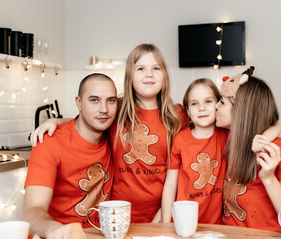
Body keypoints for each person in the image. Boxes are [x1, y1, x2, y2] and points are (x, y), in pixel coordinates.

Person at [30, 43, 188, 223]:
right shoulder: (118, 108)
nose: (149, 74)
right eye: (141, 68)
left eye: (156, 68)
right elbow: (89, 118)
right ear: (130, 76)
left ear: (165, 75)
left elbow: (181, 171)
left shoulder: (178, 115)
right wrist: (56, 121)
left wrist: (164, 215)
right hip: (117, 214)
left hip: (163, 214)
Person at [22, 73, 118, 239]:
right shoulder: (49, 143)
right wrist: (54, 229)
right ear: (78, 103)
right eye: (94, 100)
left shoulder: (115, 133)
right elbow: (31, 212)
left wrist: (58, 120)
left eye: (111, 100)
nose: (104, 109)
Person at [215, 74, 281, 232]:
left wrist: (268, 177)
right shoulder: (223, 140)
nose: (216, 106)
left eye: (222, 102)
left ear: (240, 111)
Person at [161, 78, 228, 224]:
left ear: (218, 105)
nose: (201, 108)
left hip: (215, 224)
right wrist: (165, 223)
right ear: (188, 112)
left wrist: (276, 127)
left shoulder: (225, 136)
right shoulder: (180, 139)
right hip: (181, 221)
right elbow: (170, 184)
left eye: (208, 101)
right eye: (194, 103)